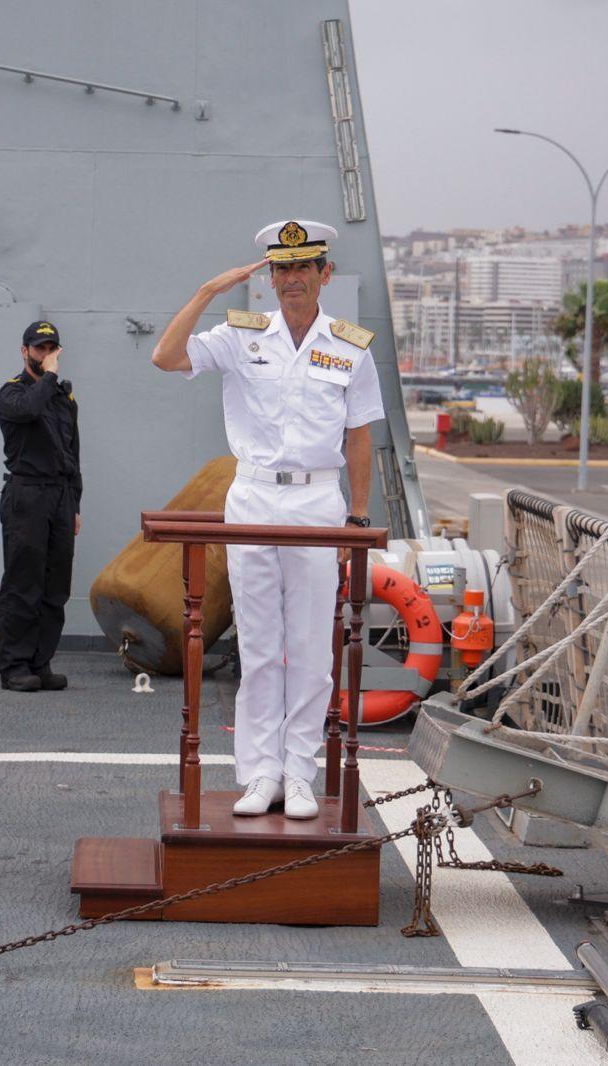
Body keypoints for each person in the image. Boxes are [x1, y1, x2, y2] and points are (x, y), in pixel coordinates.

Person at [151, 220, 383, 820]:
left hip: (315, 502)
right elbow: (166, 357)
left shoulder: (351, 347)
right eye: (282, 269)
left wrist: (356, 520)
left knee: (309, 645)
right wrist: (206, 293)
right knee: (257, 646)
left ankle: (299, 773)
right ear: (271, 278)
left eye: (304, 267)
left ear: (324, 274)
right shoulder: (239, 335)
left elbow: (360, 437)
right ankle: (259, 774)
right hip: (252, 499)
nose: (291, 279)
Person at [0, 320, 82, 692]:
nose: (45, 355)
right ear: (25, 351)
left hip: (60, 497)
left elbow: (71, 451)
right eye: (39, 348)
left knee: (55, 586)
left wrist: (75, 503)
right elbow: (30, 410)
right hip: (26, 494)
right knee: (23, 583)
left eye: (51, 349)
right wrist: (48, 378)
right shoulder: (12, 393)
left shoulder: (64, 397)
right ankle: (14, 666)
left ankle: (40, 662)